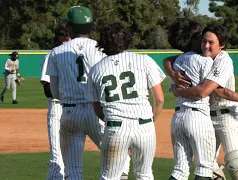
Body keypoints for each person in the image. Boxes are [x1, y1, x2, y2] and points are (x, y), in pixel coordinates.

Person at [171, 24, 238, 180]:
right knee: (209, 167)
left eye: (211, 42)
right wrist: (173, 74)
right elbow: (169, 60)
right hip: (205, 117)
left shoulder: (223, 60)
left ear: (222, 45)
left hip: (225, 116)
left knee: (236, 163)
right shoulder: (200, 56)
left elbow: (218, 91)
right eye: (204, 41)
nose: (206, 45)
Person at [46, 6, 130, 179]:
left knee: (73, 170)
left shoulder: (56, 52)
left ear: (69, 27)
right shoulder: (102, 50)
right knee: (119, 161)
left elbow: (54, 92)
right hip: (97, 110)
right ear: (91, 26)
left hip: (70, 112)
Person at [87, 22, 166, 180]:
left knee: (110, 177)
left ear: (103, 43)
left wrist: (109, 119)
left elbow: (96, 107)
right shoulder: (144, 61)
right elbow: (159, 98)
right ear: (128, 39)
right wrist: (152, 119)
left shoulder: (96, 69)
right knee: (144, 175)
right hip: (144, 126)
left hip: (115, 128)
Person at [166, 19, 217, 180]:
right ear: (193, 39)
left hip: (178, 117)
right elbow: (208, 90)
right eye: (201, 38)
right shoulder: (205, 60)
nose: (204, 42)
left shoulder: (178, 62)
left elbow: (174, 91)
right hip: (198, 117)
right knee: (204, 168)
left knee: (180, 170)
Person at [40, 21, 70, 180]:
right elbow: (47, 89)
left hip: (74, 109)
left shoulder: (73, 55)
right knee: (57, 158)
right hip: (58, 108)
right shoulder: (51, 56)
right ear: (65, 38)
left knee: (71, 157)